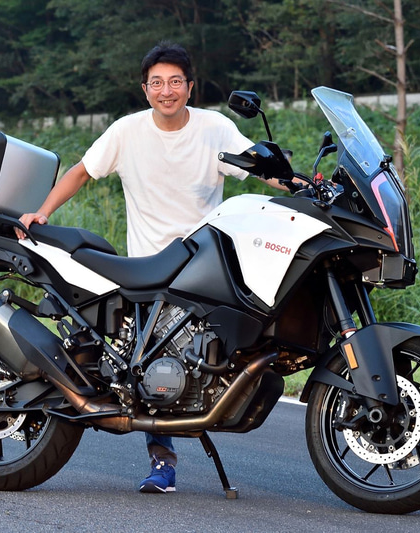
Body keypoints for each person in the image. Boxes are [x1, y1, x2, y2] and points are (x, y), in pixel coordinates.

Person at [17, 41, 285, 494]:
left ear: (190, 87)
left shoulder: (215, 128)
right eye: (157, 83)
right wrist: (41, 212)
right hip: (148, 267)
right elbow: (82, 171)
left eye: (175, 82)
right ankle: (162, 461)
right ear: (145, 90)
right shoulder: (127, 131)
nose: (167, 91)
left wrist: (301, 183)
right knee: (154, 365)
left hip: (204, 262)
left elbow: (259, 168)